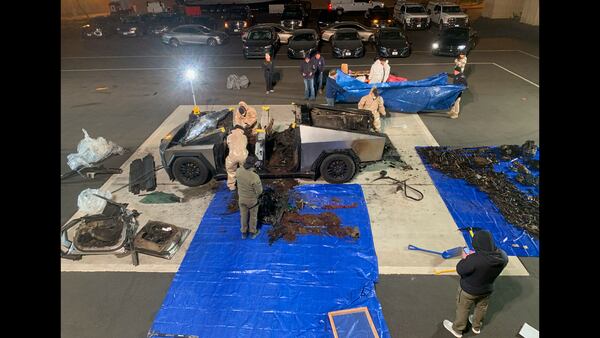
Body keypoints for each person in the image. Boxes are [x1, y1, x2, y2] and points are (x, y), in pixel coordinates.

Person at [443, 230, 508, 337]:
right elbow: (485, 260)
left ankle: (457, 329)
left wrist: (465, 258)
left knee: (463, 308)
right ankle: (476, 326)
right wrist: (477, 255)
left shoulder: (473, 260)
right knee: (481, 307)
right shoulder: (503, 256)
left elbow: (460, 269)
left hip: (469, 290)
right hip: (487, 289)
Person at [236, 155, 263, 239]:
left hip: (241, 199)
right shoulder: (255, 177)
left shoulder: (238, 171)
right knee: (253, 216)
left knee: (243, 216)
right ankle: (253, 232)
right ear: (254, 165)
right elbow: (259, 191)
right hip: (252, 201)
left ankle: (244, 232)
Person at [225, 125, 248, 191]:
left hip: (232, 156)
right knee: (244, 171)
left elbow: (228, 146)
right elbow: (246, 145)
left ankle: (231, 186)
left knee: (231, 171)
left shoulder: (229, 136)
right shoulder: (244, 136)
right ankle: (244, 185)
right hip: (243, 156)